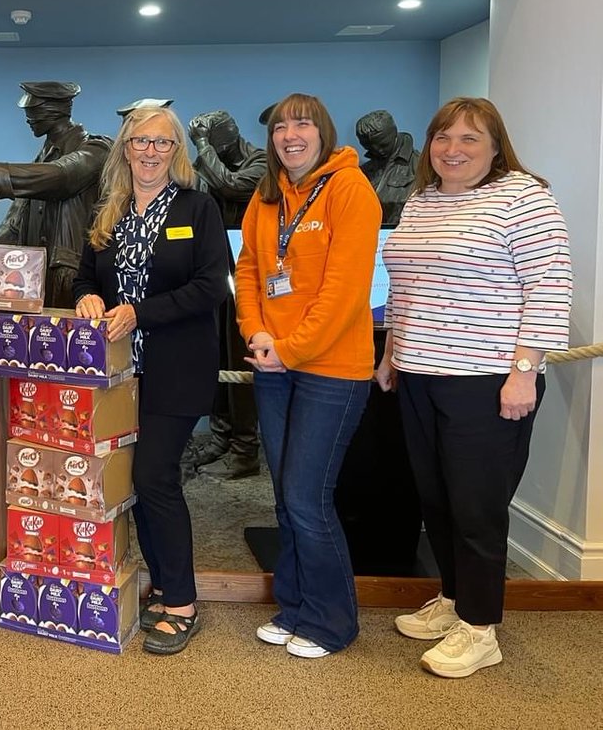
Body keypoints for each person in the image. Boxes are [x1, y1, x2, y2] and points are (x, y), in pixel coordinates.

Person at [376, 97, 571, 678]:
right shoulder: (422, 201)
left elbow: (550, 288)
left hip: (486, 381)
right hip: (418, 375)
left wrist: (523, 370)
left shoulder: (523, 198)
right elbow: (405, 287)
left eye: (469, 139)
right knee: (435, 498)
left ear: (495, 146)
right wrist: (391, 354)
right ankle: (455, 599)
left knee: (477, 506)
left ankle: (482, 627)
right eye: (443, 138)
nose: (453, 150)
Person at [73, 106, 228, 656]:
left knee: (155, 475)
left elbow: (212, 287)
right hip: (117, 374)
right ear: (125, 148)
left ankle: (182, 603)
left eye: (162, 143)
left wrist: (141, 312)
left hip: (175, 368)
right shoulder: (109, 211)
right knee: (136, 480)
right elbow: (87, 275)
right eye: (140, 141)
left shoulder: (197, 207)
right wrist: (86, 296)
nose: (150, 151)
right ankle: (161, 584)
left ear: (176, 151)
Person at [234, 93, 381, 659]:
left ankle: (331, 621)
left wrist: (290, 349)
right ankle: (294, 606)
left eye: (301, 125)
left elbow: (344, 294)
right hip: (273, 365)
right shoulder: (266, 195)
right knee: (285, 498)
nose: (289, 135)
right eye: (279, 128)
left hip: (330, 372)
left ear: (322, 131)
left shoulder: (350, 190)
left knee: (307, 498)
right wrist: (255, 332)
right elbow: (249, 268)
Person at [0, 81, 112, 308]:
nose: (28, 118)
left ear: (54, 110)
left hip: (73, 279)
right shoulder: (41, 159)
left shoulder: (96, 149)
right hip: (33, 277)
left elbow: (62, 175)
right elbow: (13, 224)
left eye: (33, 111)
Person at [187, 110, 268, 480]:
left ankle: (245, 449)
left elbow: (232, 186)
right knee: (217, 355)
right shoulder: (210, 162)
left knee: (241, 358)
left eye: (205, 141)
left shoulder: (262, 162)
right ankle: (221, 436)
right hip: (218, 272)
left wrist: (203, 147)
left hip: (251, 276)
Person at [355, 109, 418, 226]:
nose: (378, 150)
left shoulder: (419, 166)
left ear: (394, 134)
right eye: (370, 148)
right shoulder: (361, 172)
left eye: (383, 145)